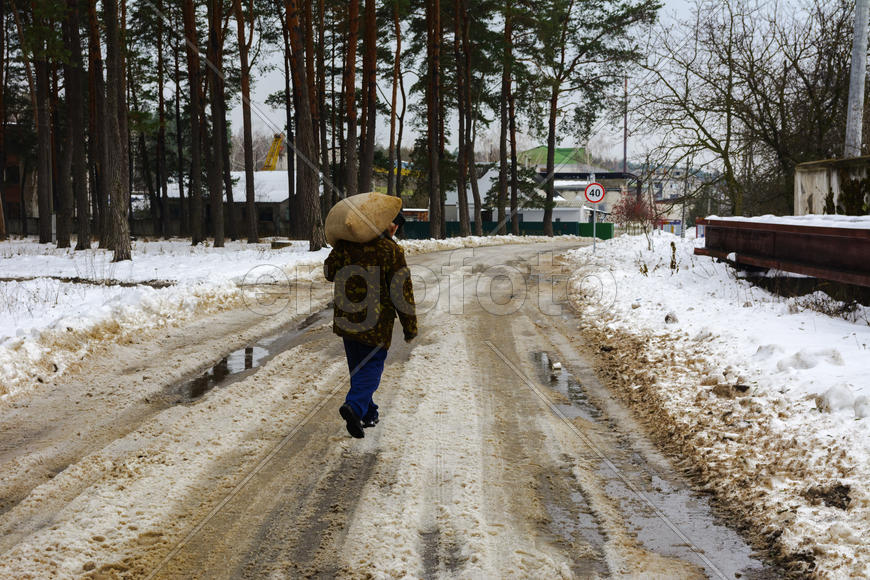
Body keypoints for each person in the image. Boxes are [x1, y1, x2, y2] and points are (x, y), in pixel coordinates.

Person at [323, 212, 417, 438]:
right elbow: (401, 292)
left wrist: (342, 248)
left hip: (348, 320)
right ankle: (354, 407)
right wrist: (410, 326)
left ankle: (368, 413)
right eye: (393, 223)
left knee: (359, 368)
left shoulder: (347, 245)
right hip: (375, 323)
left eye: (396, 225)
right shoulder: (390, 251)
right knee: (371, 368)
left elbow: (329, 272)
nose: (394, 228)